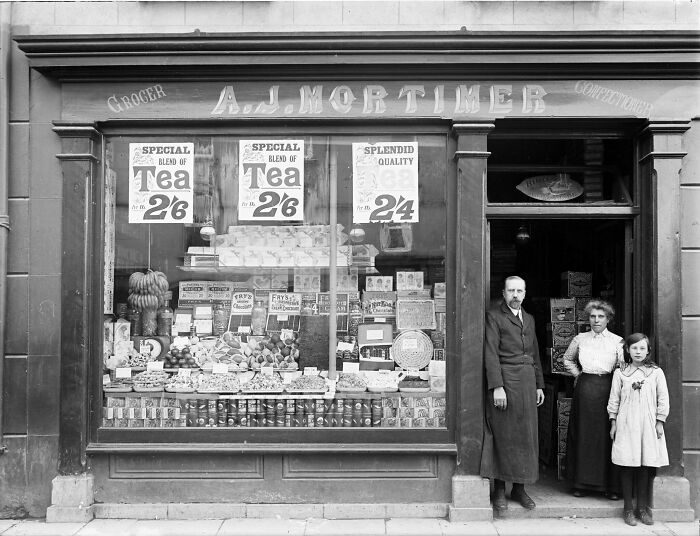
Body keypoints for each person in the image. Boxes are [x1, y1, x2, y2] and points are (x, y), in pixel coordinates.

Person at [481, 276, 545, 512]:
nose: (515, 295)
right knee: (504, 435)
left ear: (525, 293)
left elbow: (535, 352)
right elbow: (490, 353)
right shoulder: (494, 316)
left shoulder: (528, 319)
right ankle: (499, 489)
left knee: (526, 435)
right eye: (511, 291)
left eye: (519, 291)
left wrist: (539, 384)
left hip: (527, 382)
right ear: (504, 293)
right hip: (506, 381)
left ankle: (520, 488)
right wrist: (497, 386)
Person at [563, 300, 623, 500]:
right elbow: (567, 359)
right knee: (583, 434)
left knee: (606, 436)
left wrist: (616, 385)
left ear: (608, 319)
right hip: (585, 388)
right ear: (588, 318)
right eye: (593, 316)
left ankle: (610, 486)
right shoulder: (580, 339)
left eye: (601, 317)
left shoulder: (617, 341)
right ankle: (580, 484)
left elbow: (622, 368)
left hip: (607, 388)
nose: (596, 320)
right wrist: (578, 375)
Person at [608, 332, 669, 526]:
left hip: (648, 424)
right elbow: (614, 399)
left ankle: (642, 509)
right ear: (627, 350)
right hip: (627, 423)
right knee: (627, 463)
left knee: (644, 465)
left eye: (642, 348)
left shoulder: (656, 372)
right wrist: (613, 422)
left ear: (648, 350)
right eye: (634, 347)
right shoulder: (621, 373)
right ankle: (628, 509)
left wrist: (660, 421)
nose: (638, 351)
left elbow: (663, 398)